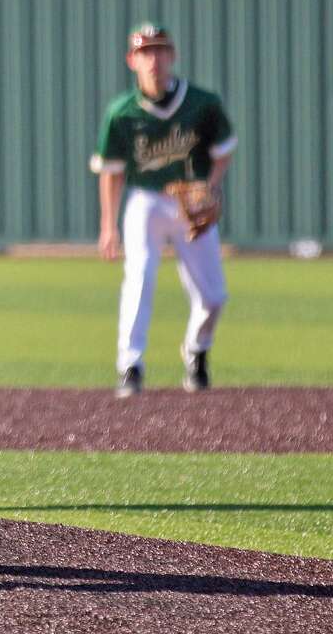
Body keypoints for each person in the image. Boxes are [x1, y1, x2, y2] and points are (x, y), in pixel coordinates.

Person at [90, 23, 236, 399]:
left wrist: (211, 187)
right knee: (139, 279)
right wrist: (109, 225)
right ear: (131, 60)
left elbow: (223, 151)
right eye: (145, 52)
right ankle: (130, 365)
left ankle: (197, 350)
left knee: (214, 297)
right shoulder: (121, 113)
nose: (153, 59)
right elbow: (111, 173)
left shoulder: (202, 103)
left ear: (173, 56)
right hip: (147, 200)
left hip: (192, 202)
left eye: (159, 50)